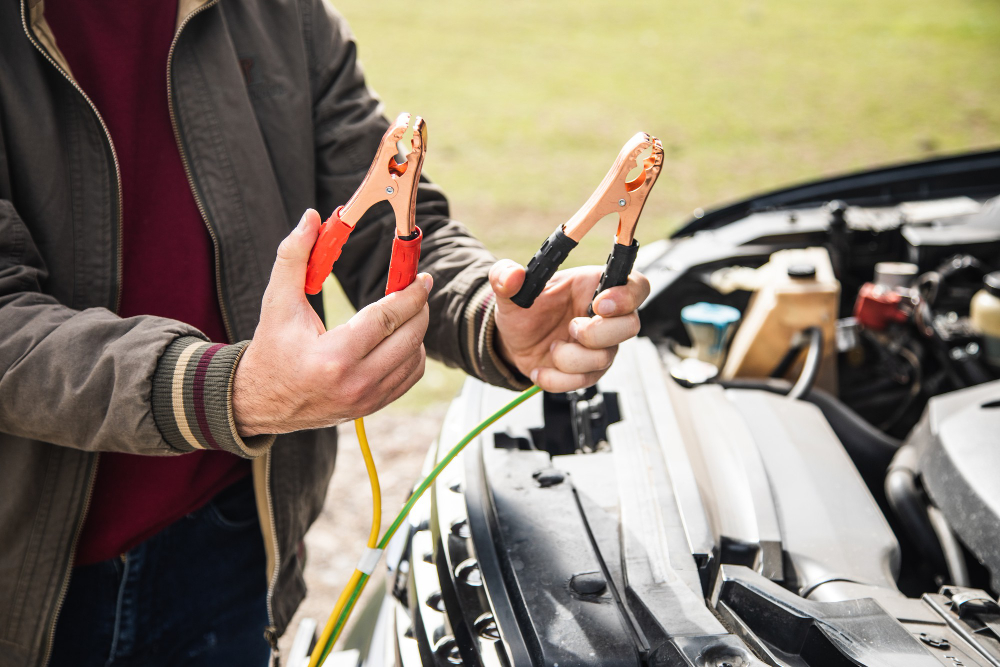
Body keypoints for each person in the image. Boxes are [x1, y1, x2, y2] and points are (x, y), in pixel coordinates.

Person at [0, 0, 650, 665]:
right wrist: (231, 391)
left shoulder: (282, 13)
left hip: (233, 534)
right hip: (27, 584)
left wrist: (497, 320)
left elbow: (385, 213)